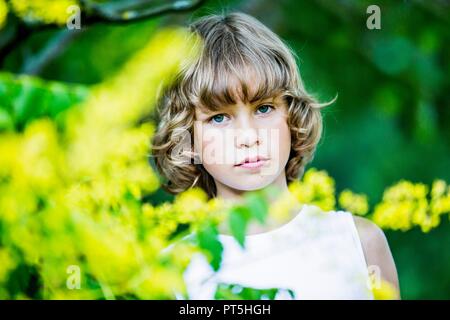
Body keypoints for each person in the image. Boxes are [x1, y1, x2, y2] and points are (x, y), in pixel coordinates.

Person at [151, 11, 399, 300]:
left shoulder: (360, 243)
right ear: (187, 138)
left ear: (292, 116)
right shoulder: (170, 275)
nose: (248, 136)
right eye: (219, 118)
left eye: (264, 108)